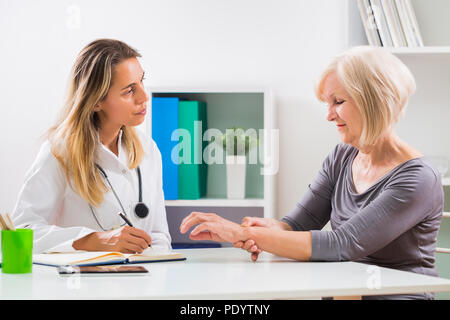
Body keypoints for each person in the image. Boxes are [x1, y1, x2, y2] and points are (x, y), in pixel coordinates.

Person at [180, 46, 444, 300]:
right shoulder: (341, 158)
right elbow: (295, 226)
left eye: (338, 101)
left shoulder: (418, 178)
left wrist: (247, 235)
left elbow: (343, 244)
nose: (329, 115)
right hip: (343, 293)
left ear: (373, 100)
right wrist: (244, 228)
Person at [12, 39, 171, 254]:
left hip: (143, 281)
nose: (144, 97)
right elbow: (21, 233)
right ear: (96, 102)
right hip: (82, 284)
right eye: (129, 91)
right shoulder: (58, 152)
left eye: (142, 81)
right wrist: (92, 240)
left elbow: (160, 237)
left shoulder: (147, 149)